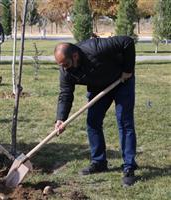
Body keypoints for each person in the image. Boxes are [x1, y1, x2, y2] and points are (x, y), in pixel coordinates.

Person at [54, 36, 138, 186]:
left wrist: (128, 69)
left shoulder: (95, 48)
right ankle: (99, 162)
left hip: (122, 80)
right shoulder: (65, 70)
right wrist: (61, 118)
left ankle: (129, 166)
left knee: (124, 122)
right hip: (98, 87)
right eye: (62, 66)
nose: (65, 68)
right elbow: (65, 93)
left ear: (75, 56)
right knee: (93, 122)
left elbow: (127, 42)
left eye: (66, 64)